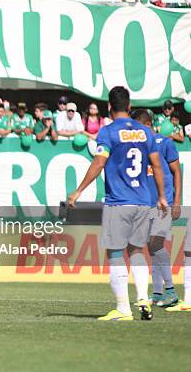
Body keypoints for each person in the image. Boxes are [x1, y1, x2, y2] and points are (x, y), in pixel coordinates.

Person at [68, 86, 167, 321]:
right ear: (129, 106)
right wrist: (162, 196)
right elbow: (157, 166)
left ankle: (123, 308)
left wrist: (78, 191)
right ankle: (143, 297)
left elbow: (99, 163)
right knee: (136, 251)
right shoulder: (146, 132)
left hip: (118, 202)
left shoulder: (108, 132)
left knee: (115, 252)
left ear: (109, 107)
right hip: (144, 201)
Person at [131, 109, 181, 308]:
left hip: (164, 203)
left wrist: (176, 202)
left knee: (156, 245)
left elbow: (177, 173)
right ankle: (159, 293)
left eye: (136, 126)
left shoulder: (165, 143)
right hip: (146, 204)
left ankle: (171, 291)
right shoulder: (140, 147)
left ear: (146, 124)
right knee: (152, 249)